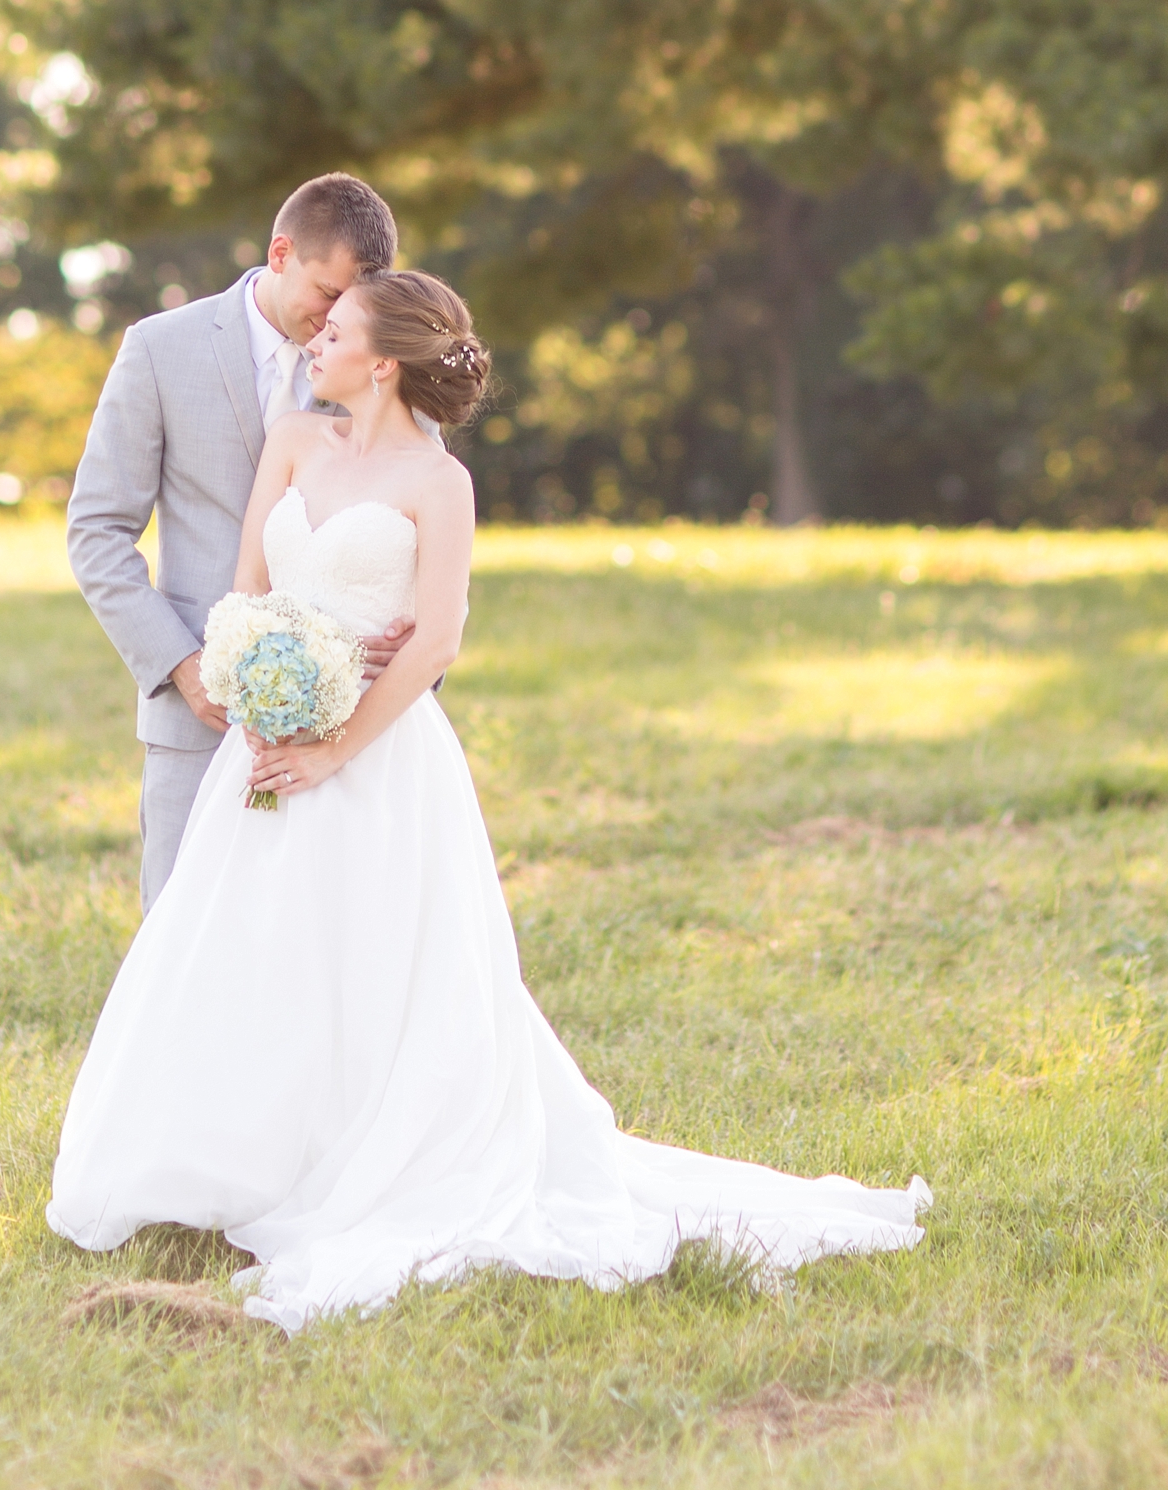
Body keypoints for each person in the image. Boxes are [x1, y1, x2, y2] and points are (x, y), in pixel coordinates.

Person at [47, 270, 930, 1329]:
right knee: (247, 945)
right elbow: (246, 592)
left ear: (381, 363)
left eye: (333, 332)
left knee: (376, 961)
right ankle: (234, 1166)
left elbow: (437, 637)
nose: (312, 342)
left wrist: (337, 743)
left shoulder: (437, 482)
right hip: (265, 745)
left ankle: (367, 1162)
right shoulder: (290, 440)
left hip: (377, 755)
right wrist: (253, 676)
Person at [66, 173, 416, 909]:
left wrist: (398, 648)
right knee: (184, 942)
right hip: (200, 718)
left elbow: (422, 537)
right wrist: (182, 665)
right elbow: (97, 531)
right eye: (327, 295)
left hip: (350, 735)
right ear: (281, 252)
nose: (334, 325)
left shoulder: (384, 365)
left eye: (353, 307)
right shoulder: (160, 349)